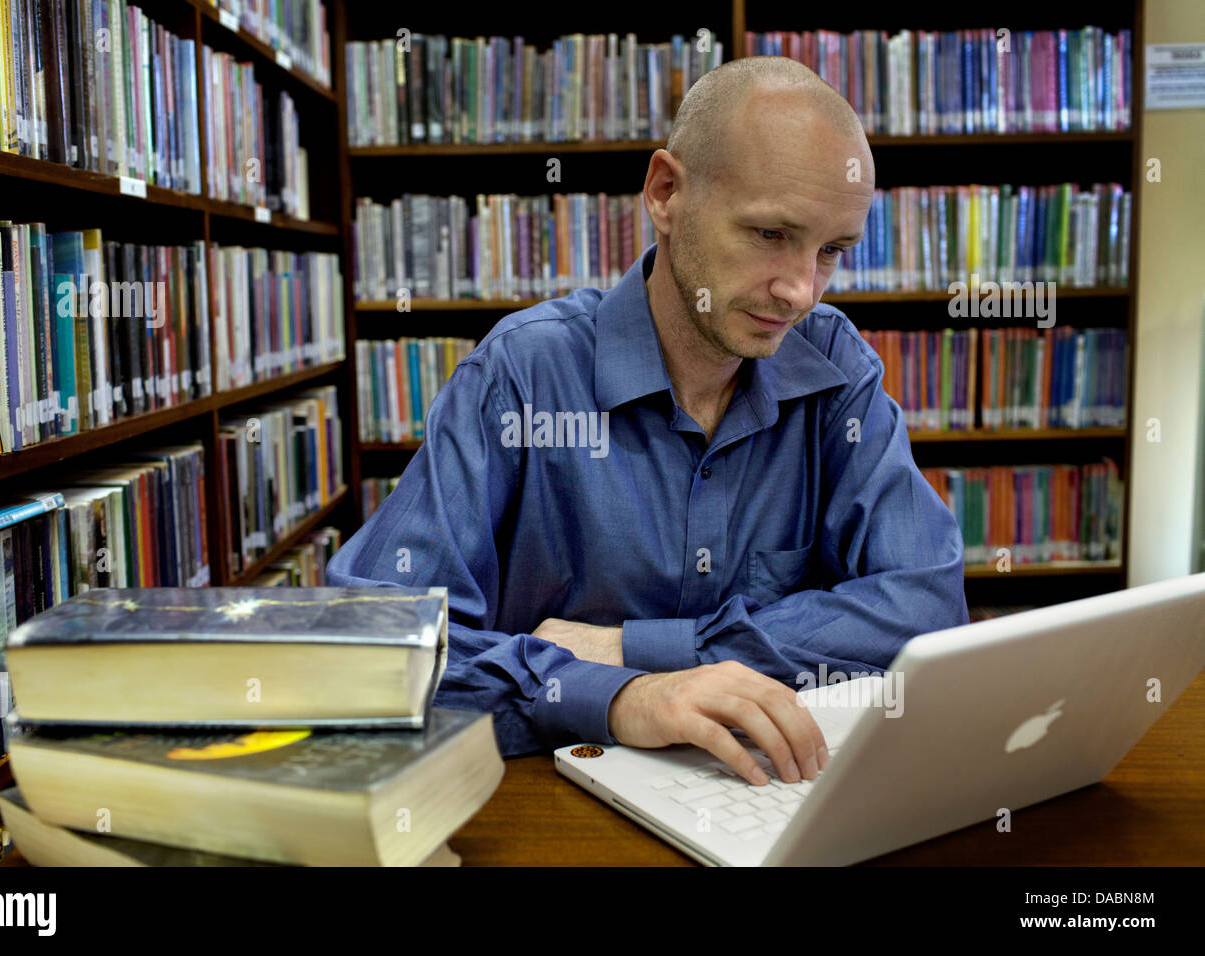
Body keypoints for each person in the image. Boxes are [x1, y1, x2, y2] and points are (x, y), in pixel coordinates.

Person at [327, 56, 969, 787]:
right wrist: (621, 696)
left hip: (763, 795)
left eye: (831, 251)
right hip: (554, 803)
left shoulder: (833, 367)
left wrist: (639, 650)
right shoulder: (523, 374)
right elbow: (373, 645)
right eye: (769, 234)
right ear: (666, 193)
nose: (799, 291)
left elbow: (927, 605)